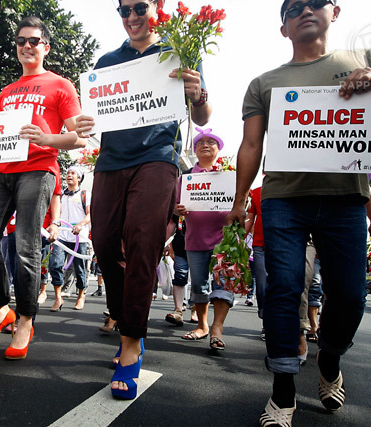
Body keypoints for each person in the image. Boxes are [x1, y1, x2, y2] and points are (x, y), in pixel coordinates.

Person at [225, 1, 371, 424]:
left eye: (314, 2)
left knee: (351, 296)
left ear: (334, 12)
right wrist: (241, 197)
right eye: (293, 8)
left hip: (345, 199)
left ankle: (330, 359)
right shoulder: (265, 82)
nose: (305, 10)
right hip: (284, 200)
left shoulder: (367, 61)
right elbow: (250, 145)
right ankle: (283, 390)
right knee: (282, 288)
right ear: (283, 29)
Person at [76, 0, 212, 400]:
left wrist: (197, 92)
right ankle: (123, 315)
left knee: (142, 241)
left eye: (140, 7)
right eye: (123, 10)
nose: (132, 17)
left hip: (158, 159)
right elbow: (96, 118)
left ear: (158, 7)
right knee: (103, 241)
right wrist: (87, 122)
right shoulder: (107, 59)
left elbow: (202, 116)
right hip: (111, 161)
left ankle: (131, 341)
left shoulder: (180, 50)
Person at [0, 16, 86, 360]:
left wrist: (45, 137)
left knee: (25, 246)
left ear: (46, 46)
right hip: (2, 173)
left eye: (33, 41)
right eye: (20, 41)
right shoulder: (6, 92)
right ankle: (0, 307)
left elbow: (78, 137)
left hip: (38, 169)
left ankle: (24, 320)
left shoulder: (61, 85)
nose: (26, 46)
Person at [176, 129, 233, 351]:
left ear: (219, 149)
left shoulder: (230, 175)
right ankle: (202, 326)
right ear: (195, 149)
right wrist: (178, 208)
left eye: (211, 142)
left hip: (225, 241)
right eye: (200, 142)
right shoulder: (186, 179)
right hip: (195, 239)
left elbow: (242, 204)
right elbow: (173, 206)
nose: (205, 145)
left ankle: (217, 328)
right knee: (199, 285)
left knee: (222, 284)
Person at [48, 165, 91, 311]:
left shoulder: (85, 194)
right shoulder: (61, 195)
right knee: (55, 265)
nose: (69, 175)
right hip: (62, 236)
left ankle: (80, 296)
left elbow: (90, 214)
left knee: (80, 269)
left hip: (80, 237)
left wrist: (80, 225)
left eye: (73, 173)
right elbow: (57, 214)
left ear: (79, 178)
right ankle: (58, 298)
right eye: (68, 173)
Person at [245, 185, 267, 341]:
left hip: (287, 246)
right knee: (262, 287)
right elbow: (249, 219)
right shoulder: (257, 192)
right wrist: (237, 240)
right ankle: (267, 323)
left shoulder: (292, 188)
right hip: (261, 247)